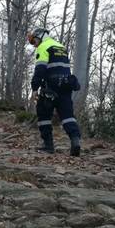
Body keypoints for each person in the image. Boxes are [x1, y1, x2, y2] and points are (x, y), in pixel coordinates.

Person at [27, 28, 82, 156]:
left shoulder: (44, 47)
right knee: (68, 116)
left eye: (34, 41)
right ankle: (75, 141)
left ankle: (48, 145)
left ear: (40, 36)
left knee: (43, 114)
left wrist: (35, 88)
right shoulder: (61, 47)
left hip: (50, 87)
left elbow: (40, 69)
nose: (34, 44)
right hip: (66, 85)